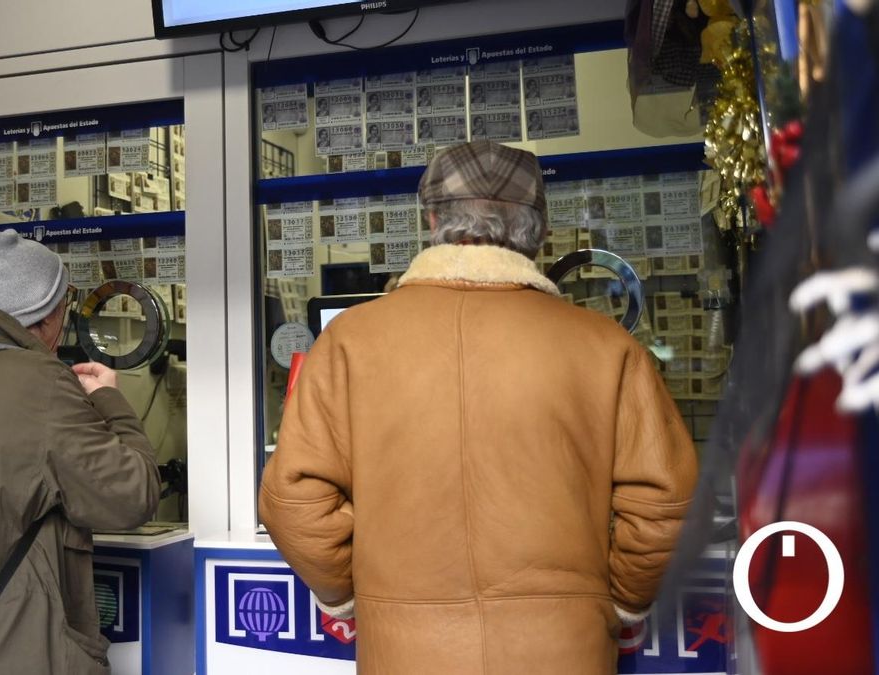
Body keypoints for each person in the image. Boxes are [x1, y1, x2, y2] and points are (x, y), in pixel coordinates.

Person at [259, 141, 697, 674]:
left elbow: (294, 501)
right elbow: (665, 505)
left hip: (408, 651)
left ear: (432, 219)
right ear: (538, 230)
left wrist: (353, 592)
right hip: (564, 650)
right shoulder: (606, 346)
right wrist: (621, 601)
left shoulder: (350, 340)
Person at [0, 229, 161, 674]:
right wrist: (110, 400)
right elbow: (133, 495)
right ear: (44, 314)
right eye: (64, 303)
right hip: (16, 649)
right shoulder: (39, 381)